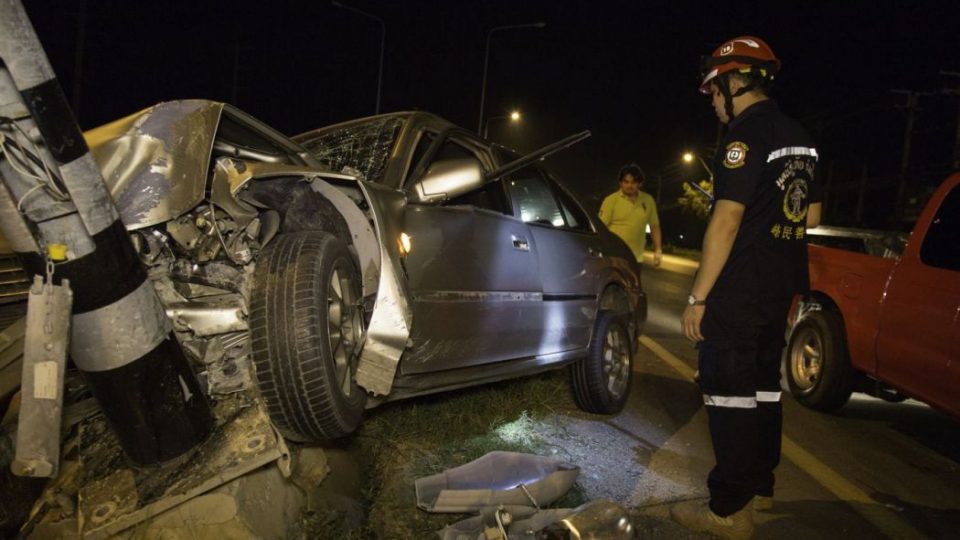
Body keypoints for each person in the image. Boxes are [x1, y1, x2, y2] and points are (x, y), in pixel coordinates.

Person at [671, 36, 822, 540]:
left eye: (715, 92)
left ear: (735, 82)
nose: (714, 102)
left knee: (728, 393)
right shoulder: (800, 136)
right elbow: (812, 213)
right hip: (780, 287)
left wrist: (698, 298)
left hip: (740, 287)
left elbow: (726, 221)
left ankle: (729, 511)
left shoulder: (744, 136)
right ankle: (759, 487)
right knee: (762, 391)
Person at [598, 164, 662, 266]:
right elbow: (600, 228)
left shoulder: (648, 200)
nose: (629, 186)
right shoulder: (611, 200)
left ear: (640, 184)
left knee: (634, 282)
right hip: (614, 257)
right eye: (626, 182)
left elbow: (654, 226)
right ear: (620, 183)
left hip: (636, 259)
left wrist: (658, 249)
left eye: (633, 182)